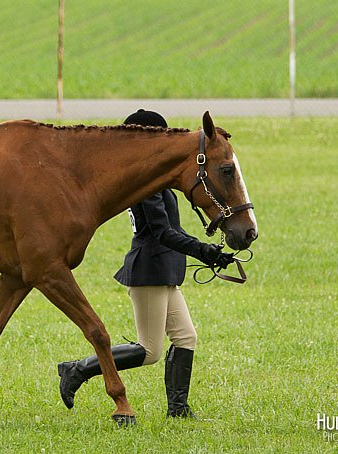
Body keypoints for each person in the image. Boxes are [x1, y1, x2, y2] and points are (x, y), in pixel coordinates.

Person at [56, 109, 234, 418]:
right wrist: (205, 251)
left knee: (186, 337)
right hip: (150, 269)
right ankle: (78, 370)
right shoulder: (146, 188)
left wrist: (210, 250)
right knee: (149, 350)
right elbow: (164, 233)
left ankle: (178, 410)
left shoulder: (158, 181)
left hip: (166, 270)